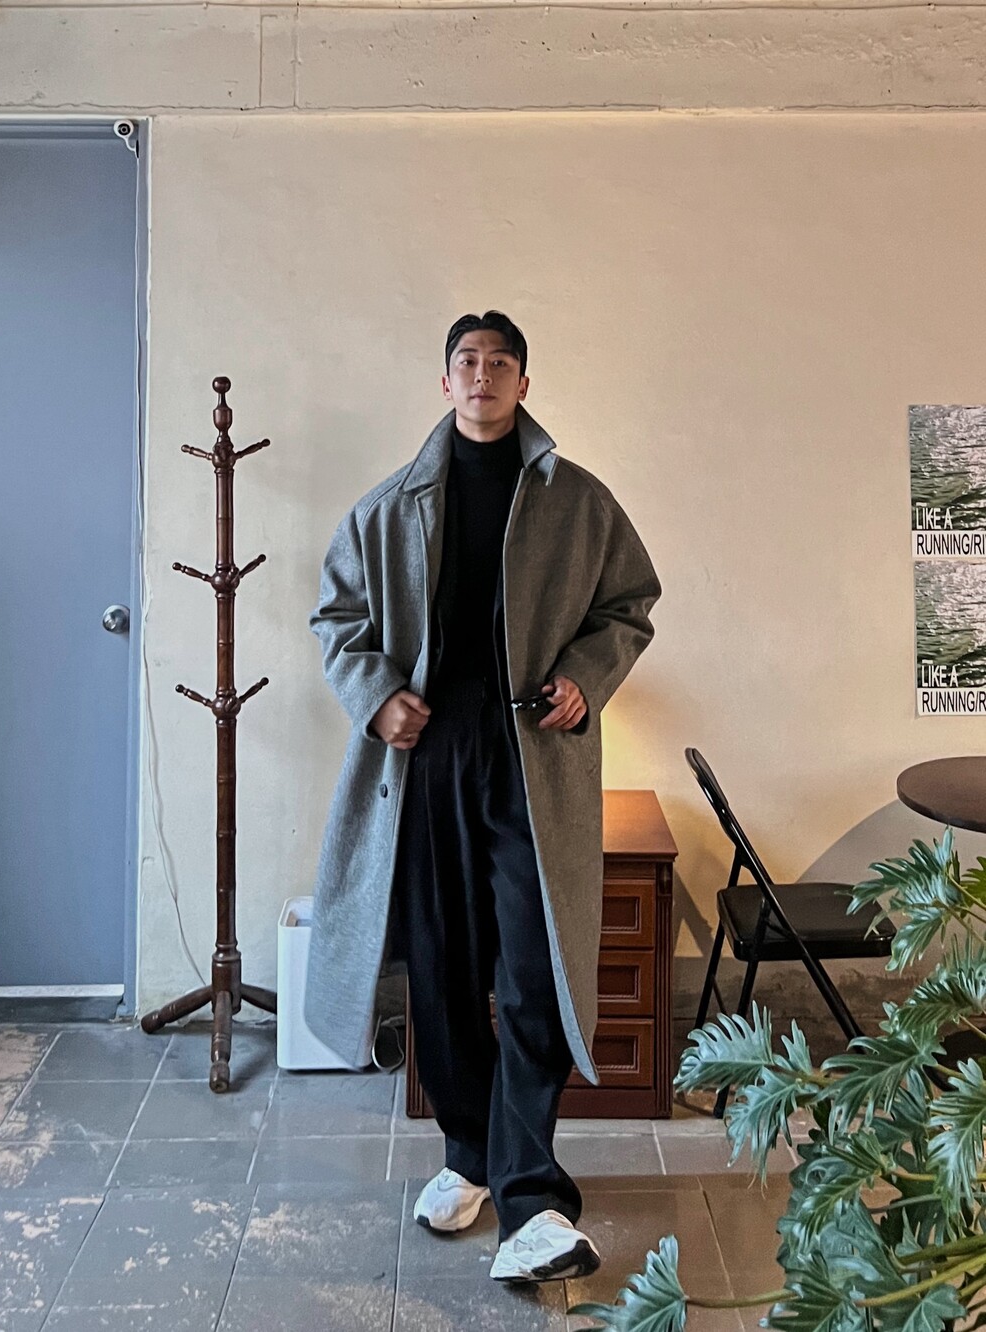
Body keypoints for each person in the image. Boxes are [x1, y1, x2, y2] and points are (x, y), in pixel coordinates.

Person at [304, 310, 661, 1283]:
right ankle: (468, 1155)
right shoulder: (391, 507)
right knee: (442, 972)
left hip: (531, 762)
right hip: (427, 762)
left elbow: (628, 604)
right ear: (445, 381)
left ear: (524, 384)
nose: (483, 374)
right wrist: (376, 698)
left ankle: (533, 1200)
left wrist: (586, 676)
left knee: (535, 973)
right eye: (467, 360)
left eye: (501, 362)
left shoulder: (576, 500)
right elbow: (336, 615)